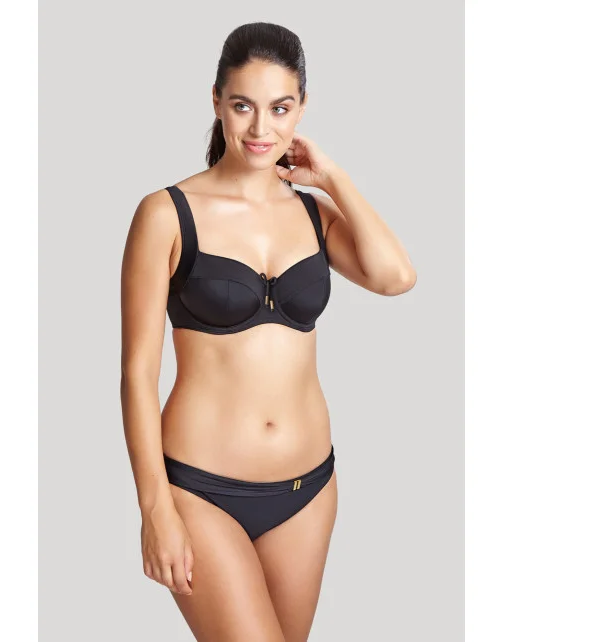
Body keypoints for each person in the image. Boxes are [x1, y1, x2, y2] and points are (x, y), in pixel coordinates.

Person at [120, 21, 416, 642]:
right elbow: (137, 375)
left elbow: (396, 277)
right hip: (202, 490)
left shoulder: (311, 213)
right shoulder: (166, 214)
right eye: (243, 106)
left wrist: (331, 177)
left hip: (308, 491)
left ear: (301, 108)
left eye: (280, 108)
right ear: (216, 102)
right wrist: (154, 508)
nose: (261, 127)